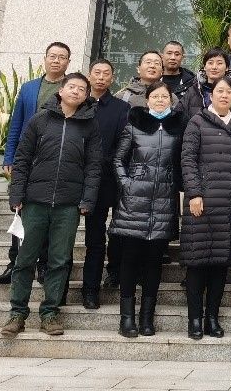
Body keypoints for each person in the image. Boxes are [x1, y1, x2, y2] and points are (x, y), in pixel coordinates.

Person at [0, 72, 101, 338]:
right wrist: (16, 195)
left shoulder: (90, 126)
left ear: (86, 96)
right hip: (35, 201)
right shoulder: (40, 120)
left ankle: (50, 313)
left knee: (59, 260)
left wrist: (87, 199)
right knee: (25, 259)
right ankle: (17, 313)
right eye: (72, 87)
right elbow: (22, 159)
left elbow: (93, 167)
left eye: (82, 89)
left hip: (68, 205)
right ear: (61, 91)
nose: (76, 91)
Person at [110, 80, 186, 338]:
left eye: (165, 97)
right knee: (130, 259)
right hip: (135, 202)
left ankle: (146, 318)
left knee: (154, 262)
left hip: (164, 201)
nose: (160, 100)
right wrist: (127, 183)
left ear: (171, 100)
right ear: (147, 99)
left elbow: (183, 162)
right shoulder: (135, 124)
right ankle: (127, 319)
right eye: (156, 96)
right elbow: (118, 159)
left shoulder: (178, 127)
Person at [0, 41, 72, 286]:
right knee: (20, 210)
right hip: (28, 158)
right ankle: (14, 262)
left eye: (62, 57)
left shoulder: (71, 88)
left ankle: (43, 264)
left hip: (55, 160)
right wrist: (9, 157)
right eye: (52, 56)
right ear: (45, 58)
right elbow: (15, 124)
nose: (56, 61)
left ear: (68, 62)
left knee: (48, 212)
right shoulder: (28, 88)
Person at [180, 76, 231, 339]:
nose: (224, 95)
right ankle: (194, 319)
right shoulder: (197, 121)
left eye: (229, 92)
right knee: (197, 262)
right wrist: (194, 193)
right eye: (219, 91)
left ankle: (212, 317)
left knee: (220, 264)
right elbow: (188, 160)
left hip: (229, 203)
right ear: (211, 95)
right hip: (202, 202)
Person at [81, 59, 130, 308]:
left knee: (100, 237)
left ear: (112, 78)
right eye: (97, 73)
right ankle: (68, 287)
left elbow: (124, 145)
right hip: (76, 179)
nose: (101, 77)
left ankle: (95, 287)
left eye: (106, 74)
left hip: (107, 181)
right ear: (89, 76)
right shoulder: (78, 104)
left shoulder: (121, 108)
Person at [179, 48, 231, 121]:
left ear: (227, 68)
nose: (214, 67)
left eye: (219, 63)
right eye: (210, 63)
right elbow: (179, 117)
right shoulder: (193, 91)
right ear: (204, 67)